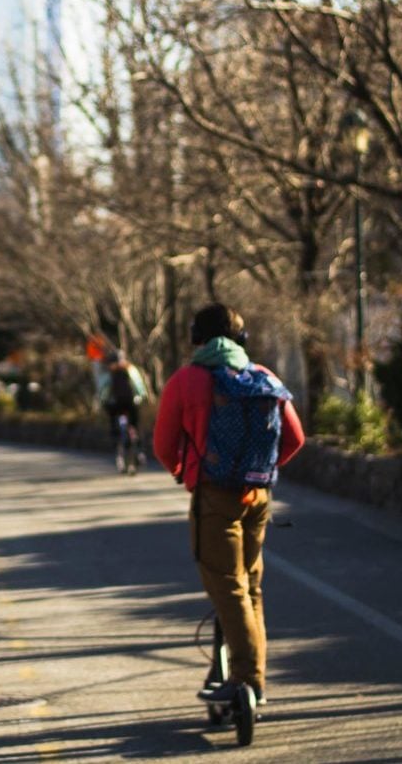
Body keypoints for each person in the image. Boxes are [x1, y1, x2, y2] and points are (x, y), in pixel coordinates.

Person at [153, 303, 304, 708]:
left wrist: (185, 473)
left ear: (196, 339)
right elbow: (295, 438)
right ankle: (252, 677)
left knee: (227, 586)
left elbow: (164, 445)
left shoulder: (186, 381)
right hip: (257, 495)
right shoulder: (264, 377)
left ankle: (246, 680)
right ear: (242, 339)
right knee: (250, 587)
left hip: (214, 494)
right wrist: (261, 471)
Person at [97, 350, 148, 473]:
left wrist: (103, 401)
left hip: (115, 406)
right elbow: (139, 385)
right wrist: (142, 396)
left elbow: (103, 390)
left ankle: (118, 451)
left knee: (115, 427)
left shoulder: (109, 372)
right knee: (134, 425)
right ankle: (139, 450)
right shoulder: (130, 369)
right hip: (130, 403)